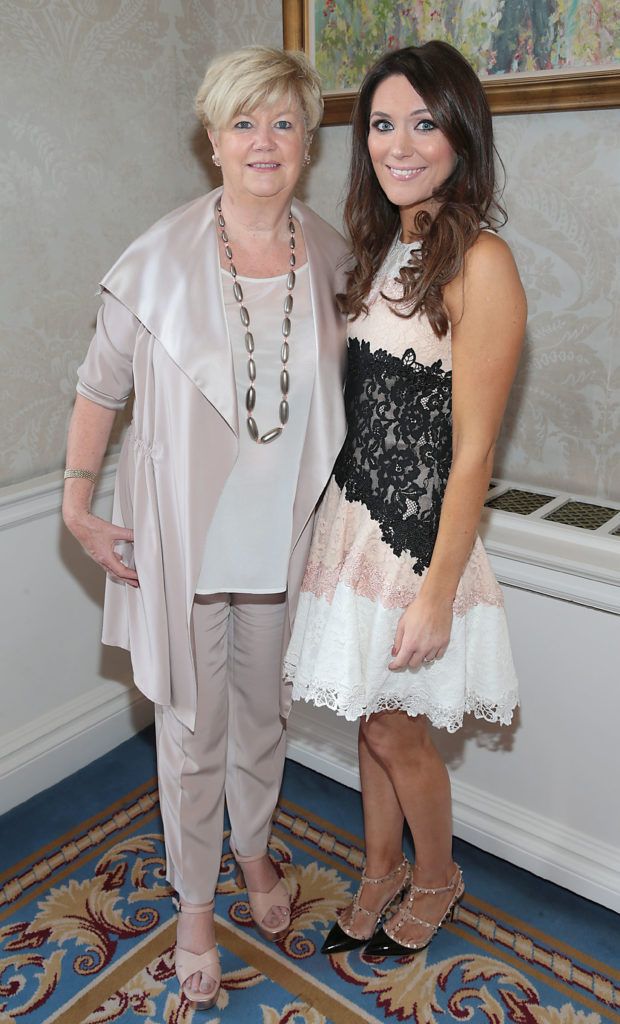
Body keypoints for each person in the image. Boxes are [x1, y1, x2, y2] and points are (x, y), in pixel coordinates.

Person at [62, 46, 348, 1008]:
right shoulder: (156, 263)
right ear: (213, 141)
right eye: (243, 123)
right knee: (191, 729)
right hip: (184, 546)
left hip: (283, 545)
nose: (263, 142)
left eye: (282, 123)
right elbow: (99, 392)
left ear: (305, 142)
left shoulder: (335, 257)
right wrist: (75, 506)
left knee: (262, 718)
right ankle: (193, 905)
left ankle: (257, 855)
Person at [284, 41, 526, 957]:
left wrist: (436, 591)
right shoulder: (388, 244)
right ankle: (379, 869)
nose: (400, 143)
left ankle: (435, 877)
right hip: (351, 526)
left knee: (398, 729)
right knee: (370, 717)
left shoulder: (483, 260)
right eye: (384, 123)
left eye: (424, 123)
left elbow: (474, 455)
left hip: (417, 543)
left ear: (462, 134)